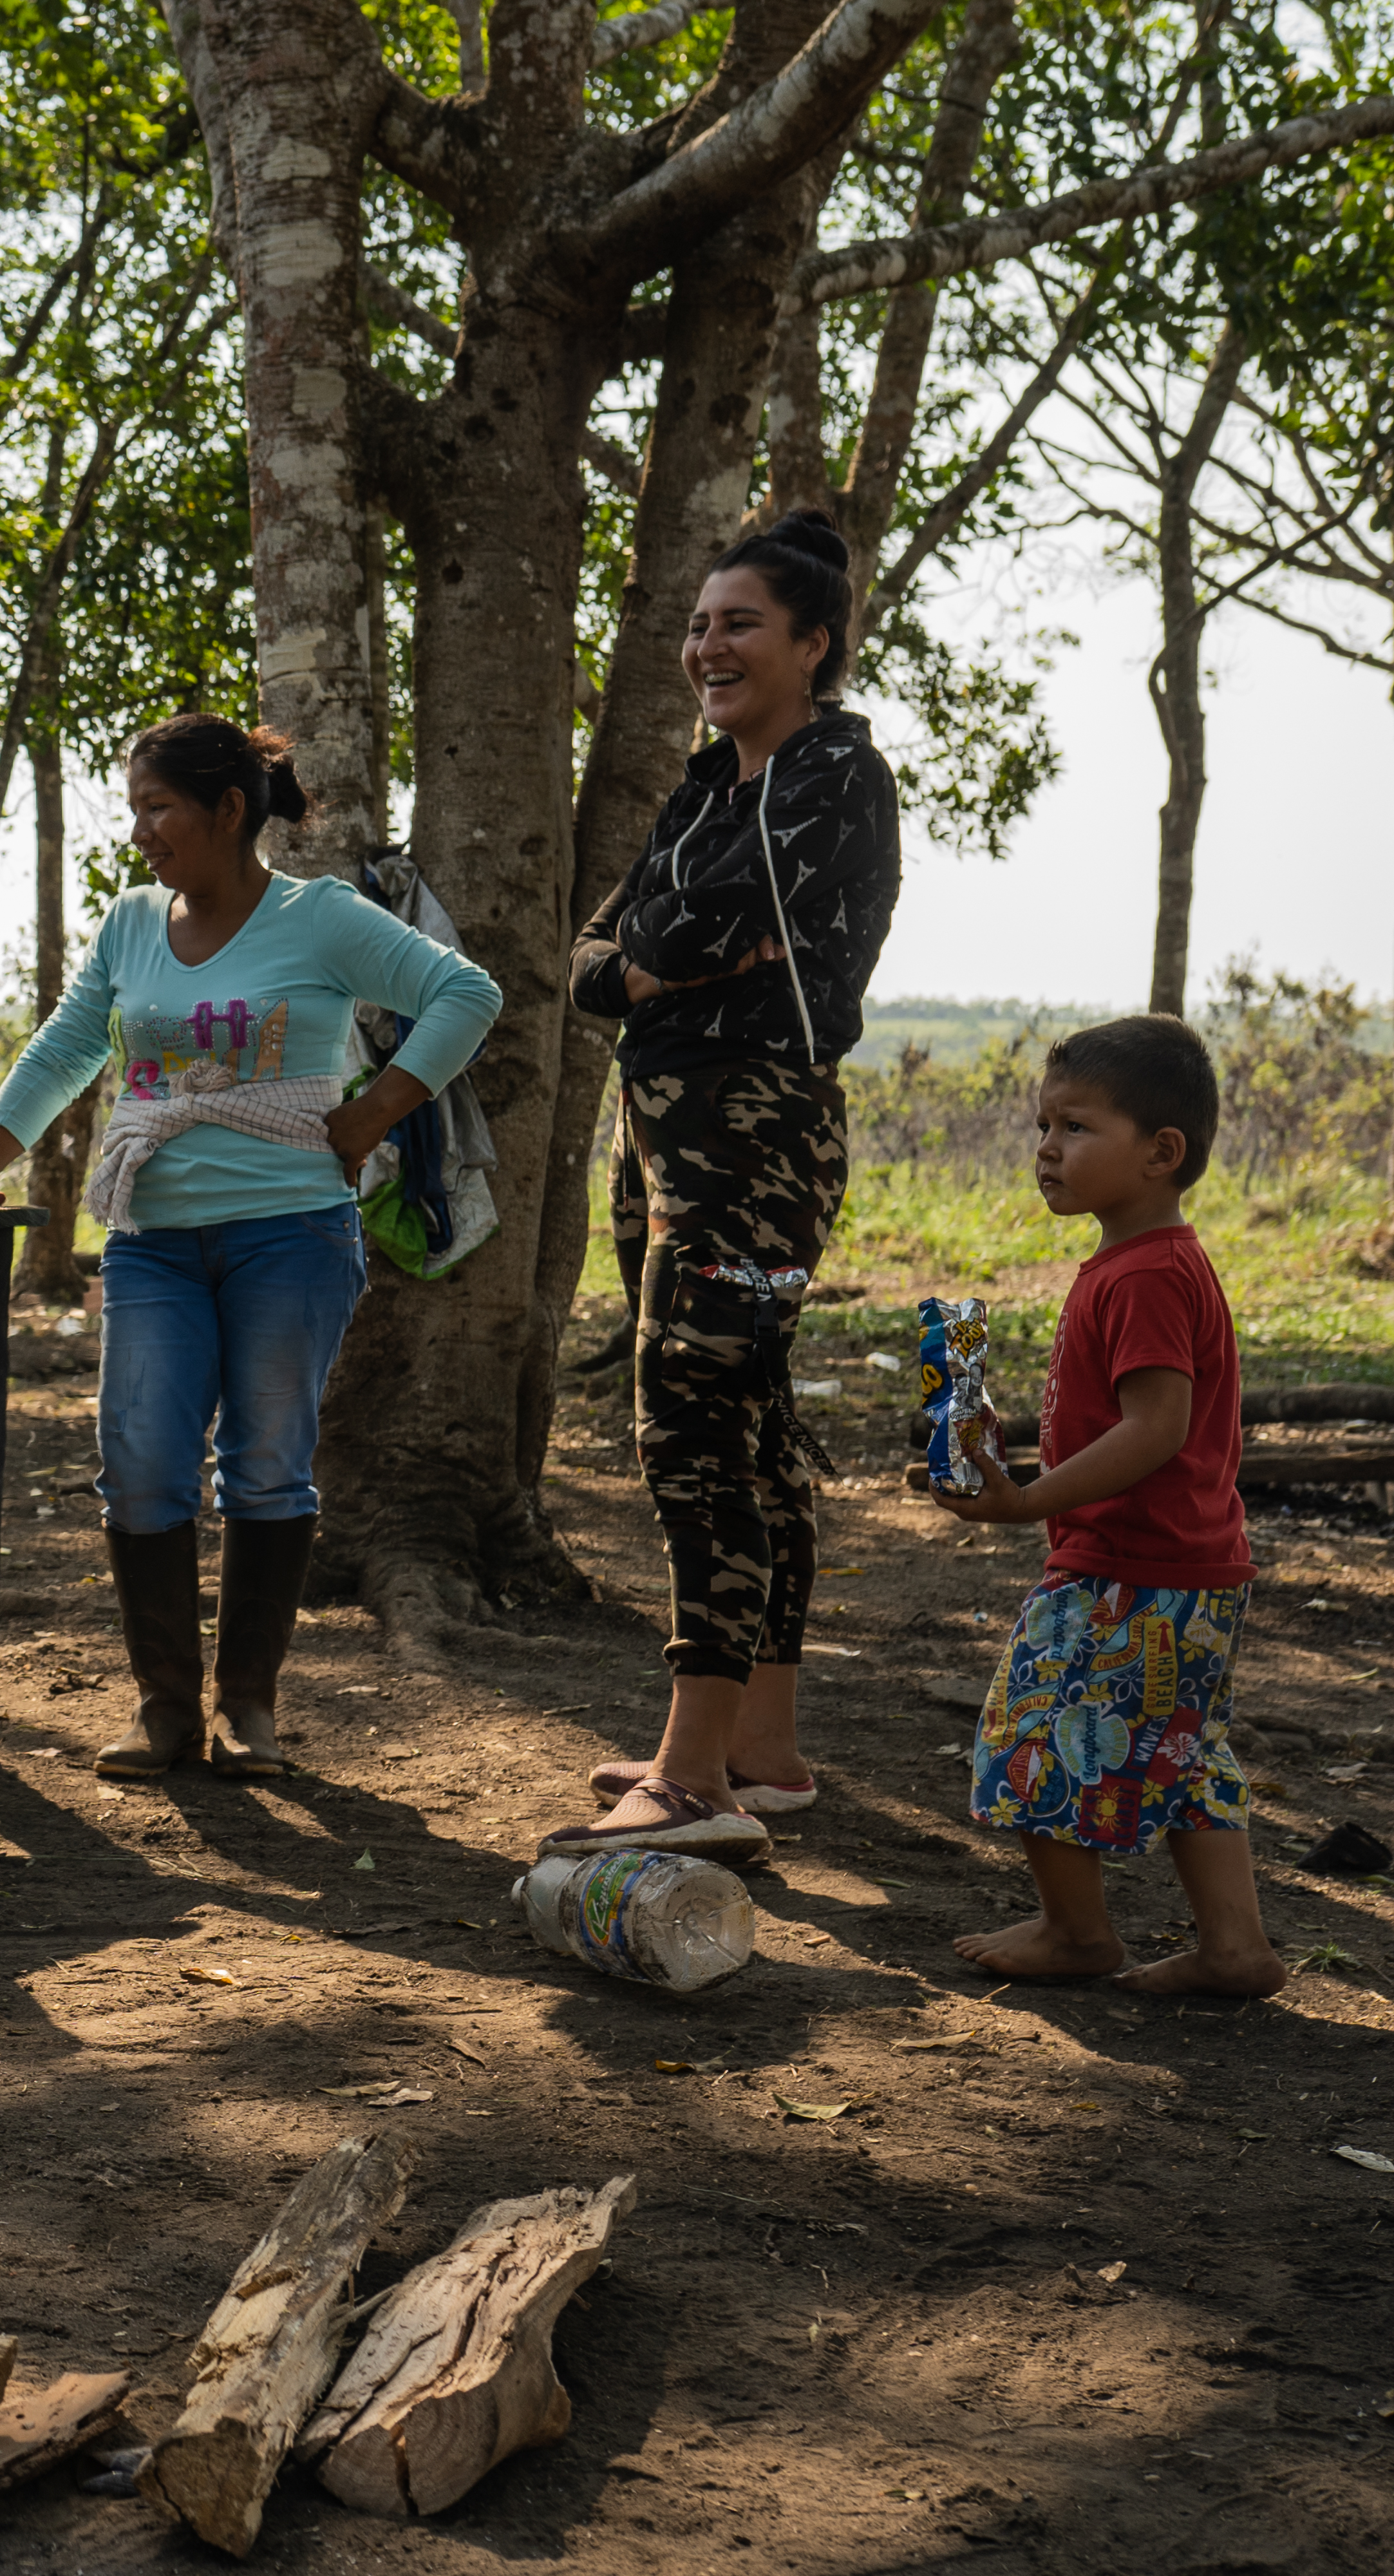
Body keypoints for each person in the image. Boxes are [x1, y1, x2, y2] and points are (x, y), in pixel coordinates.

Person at [0, 716, 500, 1777]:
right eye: (135, 811)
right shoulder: (131, 925)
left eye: (160, 809)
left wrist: (374, 1113)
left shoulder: (320, 919)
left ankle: (244, 1709)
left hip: (291, 1235)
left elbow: (466, 993)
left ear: (228, 812)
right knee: (140, 1465)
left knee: (265, 1465)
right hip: (154, 1243)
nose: (144, 834)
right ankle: (166, 1706)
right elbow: (68, 1047)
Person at [553, 507, 901, 1859]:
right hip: (661, 1128)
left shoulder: (833, 777)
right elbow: (599, 951)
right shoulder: (706, 789)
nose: (710, 644)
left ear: (813, 644)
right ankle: (763, 1748)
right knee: (745, 1424)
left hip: (759, 1137)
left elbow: (710, 925)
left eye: (740, 622)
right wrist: (646, 956)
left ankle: (691, 1776)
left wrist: (658, 950)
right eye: (700, 623)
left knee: (691, 1419)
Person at [927, 1018, 1276, 1994]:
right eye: (1043, 1126)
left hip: (1125, 1568)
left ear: (1161, 1153)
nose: (1045, 1148)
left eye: (1075, 1128)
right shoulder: (1146, 1262)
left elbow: (1156, 1427)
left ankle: (1077, 1934)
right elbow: (1121, 1425)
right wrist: (1005, 1450)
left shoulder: (1147, 1274)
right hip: (1194, 1569)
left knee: (1032, 1734)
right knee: (1189, 1756)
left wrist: (1028, 1499)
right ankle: (1235, 1949)